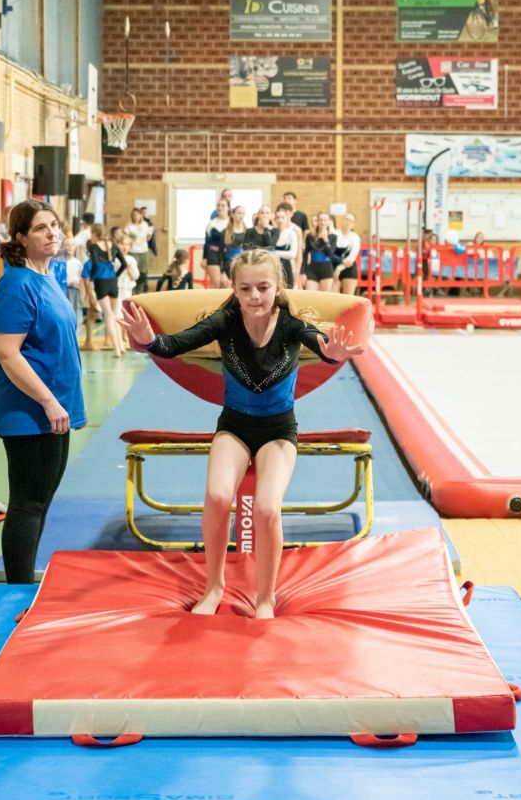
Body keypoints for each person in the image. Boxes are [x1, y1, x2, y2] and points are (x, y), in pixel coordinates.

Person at [120, 249, 363, 618]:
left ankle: (266, 597)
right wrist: (149, 340)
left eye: (263, 287)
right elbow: (175, 344)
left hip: (279, 429)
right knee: (217, 496)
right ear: (233, 288)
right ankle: (214, 587)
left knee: (267, 507)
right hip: (234, 425)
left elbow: (322, 346)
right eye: (245, 288)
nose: (254, 297)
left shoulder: (291, 325)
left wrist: (335, 354)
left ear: (278, 286)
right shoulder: (225, 321)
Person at [0, 199, 86, 583]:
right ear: (20, 238)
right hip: (29, 411)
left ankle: (24, 575)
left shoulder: (48, 275)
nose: (52, 233)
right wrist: (47, 400)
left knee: (41, 502)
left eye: (54, 225)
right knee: (28, 503)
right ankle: (16, 589)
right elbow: (7, 353)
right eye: (41, 228)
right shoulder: (15, 285)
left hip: (55, 407)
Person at [86, 224, 127, 357]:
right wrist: (116, 275)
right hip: (112, 281)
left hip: (101, 282)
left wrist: (91, 278)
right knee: (114, 314)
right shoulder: (112, 245)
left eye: (91, 233)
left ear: (95, 234)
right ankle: (120, 346)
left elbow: (96, 264)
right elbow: (124, 264)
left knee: (108, 316)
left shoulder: (93, 246)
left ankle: (116, 350)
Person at [302, 212, 336, 292]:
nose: (323, 222)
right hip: (312, 269)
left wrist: (325, 239)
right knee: (310, 295)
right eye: (320, 220)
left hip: (326, 269)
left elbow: (330, 254)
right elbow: (305, 254)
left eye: (325, 220)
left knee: (325, 298)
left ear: (328, 222)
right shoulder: (310, 236)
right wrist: (302, 272)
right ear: (318, 221)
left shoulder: (333, 237)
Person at [202, 194, 231, 288]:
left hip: (227, 255)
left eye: (223, 205)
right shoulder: (212, 223)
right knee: (216, 282)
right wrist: (204, 258)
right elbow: (207, 242)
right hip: (213, 254)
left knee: (225, 283)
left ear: (228, 208)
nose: (220, 207)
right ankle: (210, 303)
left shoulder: (232, 222)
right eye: (218, 205)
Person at [123, 208, 153, 294]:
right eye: (133, 215)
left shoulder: (145, 224)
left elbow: (148, 238)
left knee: (142, 272)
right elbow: (125, 238)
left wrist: (150, 234)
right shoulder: (129, 226)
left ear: (141, 215)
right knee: (133, 271)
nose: (135, 216)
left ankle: (140, 291)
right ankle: (132, 291)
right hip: (133, 251)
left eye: (137, 214)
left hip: (144, 251)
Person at [283, 191, 309, 287]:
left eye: (289, 198)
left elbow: (306, 231)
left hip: (298, 246)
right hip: (286, 245)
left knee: (297, 276)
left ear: (295, 200)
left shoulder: (301, 215)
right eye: (285, 198)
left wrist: (301, 244)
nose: (286, 200)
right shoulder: (281, 216)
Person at [332, 213, 361, 296]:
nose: (348, 222)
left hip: (348, 269)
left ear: (353, 225)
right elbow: (330, 253)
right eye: (347, 219)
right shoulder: (335, 234)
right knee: (333, 297)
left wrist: (339, 268)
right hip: (334, 268)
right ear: (342, 221)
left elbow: (351, 259)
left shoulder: (355, 237)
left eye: (351, 221)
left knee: (348, 298)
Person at [272, 203, 298, 288]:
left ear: (287, 219)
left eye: (282, 217)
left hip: (287, 268)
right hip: (273, 268)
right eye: (277, 218)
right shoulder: (270, 233)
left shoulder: (292, 234)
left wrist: (274, 253)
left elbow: (292, 254)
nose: (280, 220)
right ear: (274, 219)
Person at [222, 205, 247, 281]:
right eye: (239, 213)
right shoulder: (225, 232)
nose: (241, 215)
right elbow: (220, 253)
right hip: (229, 265)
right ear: (232, 215)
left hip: (244, 265)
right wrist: (222, 272)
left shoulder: (248, 232)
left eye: (243, 213)